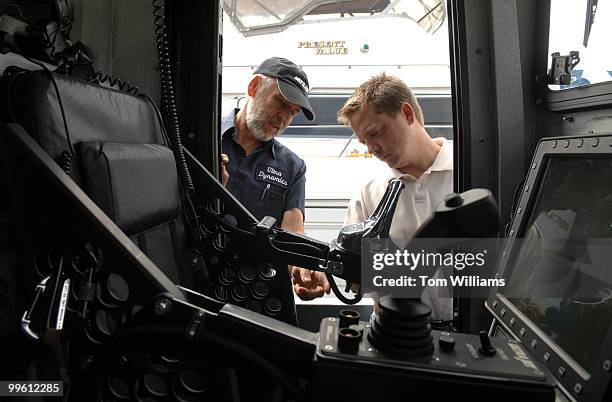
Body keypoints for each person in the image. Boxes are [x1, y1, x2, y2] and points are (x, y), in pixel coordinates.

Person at [298, 73, 453, 321]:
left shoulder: (469, 171)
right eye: (363, 142)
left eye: (375, 133)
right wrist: (326, 275)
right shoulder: (369, 191)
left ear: (407, 114)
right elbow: (358, 273)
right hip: (394, 335)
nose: (371, 150)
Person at [220, 57, 330, 300]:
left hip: (253, 293)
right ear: (254, 87)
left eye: (293, 112)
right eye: (280, 102)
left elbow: (293, 230)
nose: (283, 118)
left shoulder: (293, 167)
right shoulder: (201, 134)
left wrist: (305, 265)